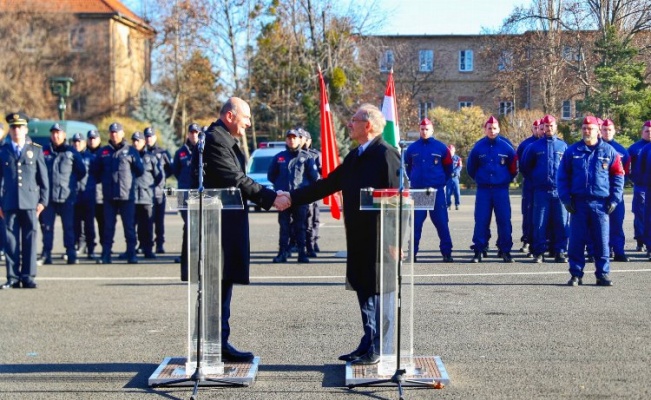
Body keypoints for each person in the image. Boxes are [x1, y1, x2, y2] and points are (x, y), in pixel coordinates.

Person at [286, 103, 401, 366]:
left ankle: (379, 348)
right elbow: (326, 185)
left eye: (354, 120)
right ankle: (368, 340)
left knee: (378, 290)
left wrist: (396, 240)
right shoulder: (355, 156)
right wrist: (290, 197)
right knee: (363, 287)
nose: (349, 124)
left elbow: (397, 201)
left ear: (368, 124)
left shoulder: (387, 154)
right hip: (358, 236)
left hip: (380, 237)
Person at [200, 97, 290, 362]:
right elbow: (236, 178)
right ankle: (214, 345)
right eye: (247, 118)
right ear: (230, 116)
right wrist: (270, 197)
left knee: (224, 286)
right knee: (219, 286)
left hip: (224, 224)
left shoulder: (222, 138)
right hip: (218, 228)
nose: (249, 124)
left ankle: (219, 342)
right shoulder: (216, 140)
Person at [557, 116, 624, 287]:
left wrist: (614, 200)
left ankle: (602, 274)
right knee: (576, 241)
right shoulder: (572, 151)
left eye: (590, 128)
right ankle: (576, 274)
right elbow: (562, 176)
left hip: (600, 204)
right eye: (584, 128)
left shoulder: (609, 151)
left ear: (598, 130)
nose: (587, 131)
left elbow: (618, 176)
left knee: (602, 241)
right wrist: (565, 198)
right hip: (578, 203)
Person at [0, 112, 49, 289]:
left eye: (20, 127)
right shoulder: (3, 151)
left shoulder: (35, 149)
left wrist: (43, 201)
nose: (16, 130)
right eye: (13, 127)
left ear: (26, 128)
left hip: (30, 202)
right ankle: (12, 277)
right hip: (10, 202)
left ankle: (28, 276)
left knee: (30, 238)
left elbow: (43, 178)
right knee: (11, 241)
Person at [467, 115, 517, 263]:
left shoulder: (507, 147)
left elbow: (513, 168)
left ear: (499, 129)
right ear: (485, 129)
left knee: (504, 221)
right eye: (489, 128)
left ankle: (505, 250)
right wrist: (480, 179)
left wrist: (505, 180)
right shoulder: (478, 147)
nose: (492, 131)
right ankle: (479, 250)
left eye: (495, 128)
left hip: (501, 189)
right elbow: (471, 168)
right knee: (481, 220)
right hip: (483, 190)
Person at [520, 114, 569, 263]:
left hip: (559, 191)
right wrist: (536, 180)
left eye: (552, 126)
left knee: (561, 222)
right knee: (539, 222)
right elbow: (525, 167)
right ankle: (539, 252)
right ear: (543, 127)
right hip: (541, 191)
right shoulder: (534, 147)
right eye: (546, 126)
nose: (549, 128)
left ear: (556, 127)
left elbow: (569, 168)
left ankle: (560, 251)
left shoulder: (563, 146)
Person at [404, 118, 454, 262]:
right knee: (416, 224)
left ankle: (447, 252)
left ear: (432, 131)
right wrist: (415, 179)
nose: (424, 131)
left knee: (441, 222)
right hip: (419, 192)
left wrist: (441, 182)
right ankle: (412, 253)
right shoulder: (412, 148)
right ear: (419, 130)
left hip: (436, 191)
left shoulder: (441, 148)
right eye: (422, 129)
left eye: (427, 129)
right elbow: (408, 167)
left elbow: (448, 168)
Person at [95, 122, 144, 264]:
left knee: (129, 227)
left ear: (122, 134)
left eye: (117, 132)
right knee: (108, 227)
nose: (114, 134)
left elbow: (139, 170)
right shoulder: (104, 152)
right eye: (112, 132)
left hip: (126, 196)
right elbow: (95, 171)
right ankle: (106, 255)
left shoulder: (130, 151)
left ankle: (131, 254)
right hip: (109, 196)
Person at [39, 124, 87, 265]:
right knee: (47, 228)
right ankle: (46, 254)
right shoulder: (45, 151)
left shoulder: (71, 152)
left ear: (64, 135)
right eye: (53, 133)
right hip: (49, 197)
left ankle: (71, 254)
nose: (56, 136)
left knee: (69, 227)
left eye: (59, 133)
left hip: (67, 197)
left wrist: (70, 184)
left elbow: (81, 171)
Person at [268, 129, 318, 263]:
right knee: (284, 227)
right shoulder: (279, 157)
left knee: (300, 226)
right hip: (283, 198)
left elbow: (314, 177)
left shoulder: (307, 157)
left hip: (299, 198)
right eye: (289, 138)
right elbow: (271, 175)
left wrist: (304, 191)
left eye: (294, 138)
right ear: (286, 140)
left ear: (299, 140)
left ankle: (302, 253)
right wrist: (280, 188)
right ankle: (282, 253)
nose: (291, 140)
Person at [173, 123, 200, 281]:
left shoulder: (203, 150)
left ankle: (194, 255)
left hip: (198, 192)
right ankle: (187, 258)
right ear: (188, 134)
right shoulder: (181, 152)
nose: (194, 135)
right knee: (188, 223)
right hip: (184, 192)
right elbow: (176, 170)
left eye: (196, 132)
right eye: (192, 132)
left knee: (195, 225)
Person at [601, 119, 631, 261]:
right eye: (604, 129)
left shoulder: (622, 151)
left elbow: (626, 173)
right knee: (596, 225)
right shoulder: (594, 149)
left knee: (617, 223)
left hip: (615, 194)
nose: (607, 132)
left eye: (609, 130)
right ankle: (597, 252)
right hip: (598, 193)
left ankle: (618, 251)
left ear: (614, 131)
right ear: (600, 131)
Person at [131, 132, 163, 259]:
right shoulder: (128, 156)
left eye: (138, 140)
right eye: (133, 140)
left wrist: (153, 191)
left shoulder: (151, 158)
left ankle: (148, 249)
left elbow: (159, 176)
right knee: (131, 226)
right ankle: (132, 249)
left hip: (147, 197)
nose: (135, 143)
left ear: (143, 142)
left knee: (147, 225)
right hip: (132, 197)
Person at [144, 127, 173, 254]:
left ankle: (159, 244)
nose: (149, 138)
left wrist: (161, 178)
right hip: (145, 192)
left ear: (155, 137)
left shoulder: (163, 152)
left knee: (159, 221)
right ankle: (145, 244)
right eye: (147, 136)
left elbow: (171, 169)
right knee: (145, 220)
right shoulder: (141, 152)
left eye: (151, 136)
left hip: (159, 192)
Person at [515, 119, 542, 255]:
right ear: (532, 129)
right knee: (528, 213)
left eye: (540, 127)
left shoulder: (552, 144)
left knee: (544, 216)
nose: (539, 130)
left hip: (545, 186)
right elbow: (521, 164)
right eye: (536, 128)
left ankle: (545, 242)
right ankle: (527, 240)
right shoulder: (525, 144)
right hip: (530, 184)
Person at [72, 133, 99, 260]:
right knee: (76, 224)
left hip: (88, 195)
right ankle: (79, 245)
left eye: (79, 141)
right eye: (75, 141)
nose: (77, 144)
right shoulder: (69, 156)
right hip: (74, 195)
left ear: (84, 143)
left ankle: (91, 249)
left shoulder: (92, 157)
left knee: (89, 224)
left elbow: (98, 174)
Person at [627, 121, 651, 252]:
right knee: (640, 214)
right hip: (641, 186)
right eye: (647, 131)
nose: (650, 133)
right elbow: (628, 167)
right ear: (642, 132)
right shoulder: (634, 148)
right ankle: (640, 241)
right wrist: (635, 179)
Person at [302, 129, 322, 256]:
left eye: (306, 139)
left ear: (309, 141)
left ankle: (313, 242)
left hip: (313, 191)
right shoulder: (293, 154)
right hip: (300, 191)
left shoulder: (315, 154)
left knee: (314, 218)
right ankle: (297, 243)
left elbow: (321, 171)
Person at [85, 130, 105, 251]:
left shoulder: (104, 153)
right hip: (87, 194)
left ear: (99, 139)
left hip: (101, 195)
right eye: (90, 138)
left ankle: (104, 246)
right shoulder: (83, 153)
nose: (92, 140)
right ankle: (89, 246)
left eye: (94, 138)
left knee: (103, 223)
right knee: (87, 224)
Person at [445, 144, 462, 211]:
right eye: (449, 150)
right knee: (448, 192)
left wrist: (454, 172)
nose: (450, 152)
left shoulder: (458, 158)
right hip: (448, 178)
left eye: (451, 150)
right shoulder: (445, 159)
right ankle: (448, 204)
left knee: (457, 192)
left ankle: (457, 204)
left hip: (455, 178)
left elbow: (459, 167)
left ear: (454, 151)